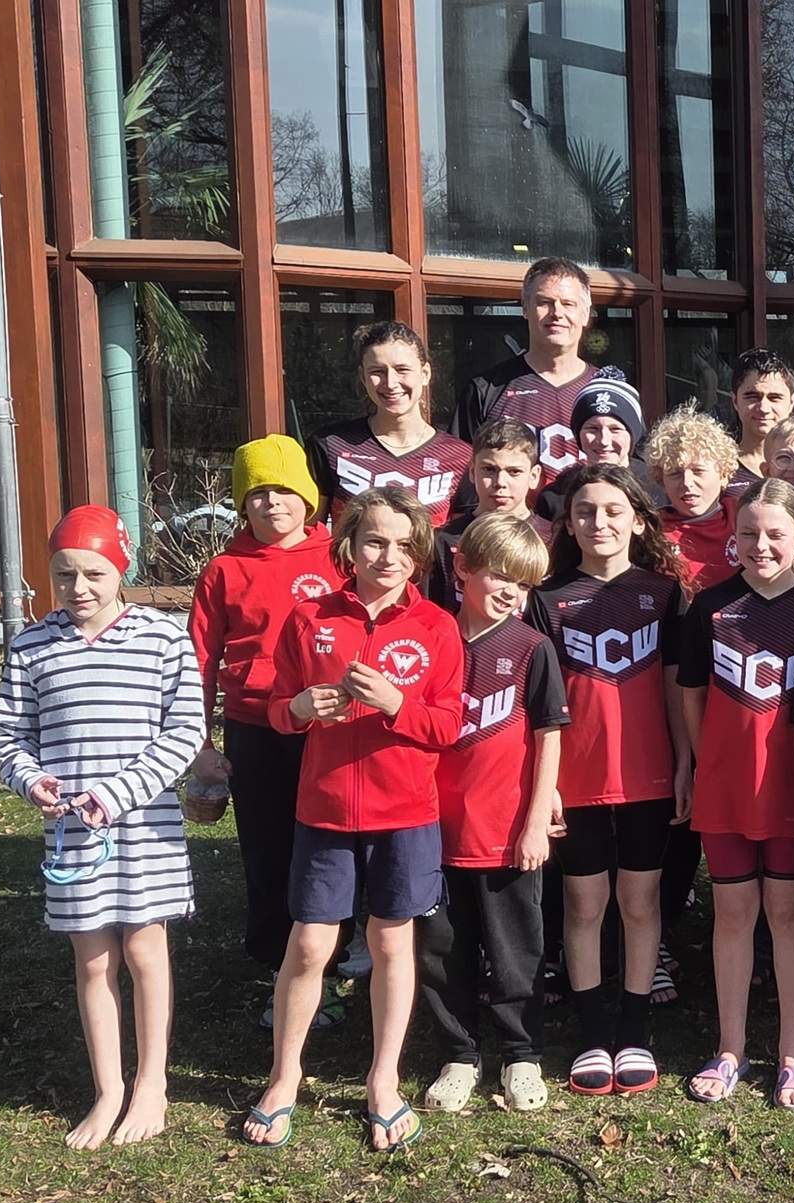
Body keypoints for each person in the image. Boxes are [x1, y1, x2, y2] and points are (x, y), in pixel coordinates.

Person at [247, 487, 463, 1151]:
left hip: (406, 813)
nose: (389, 556)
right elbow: (275, 706)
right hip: (327, 808)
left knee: (393, 941)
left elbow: (450, 726)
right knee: (311, 943)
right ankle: (284, 1077)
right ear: (349, 546)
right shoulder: (311, 618)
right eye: (375, 541)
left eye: (404, 545)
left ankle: (383, 1080)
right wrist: (301, 711)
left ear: (421, 554)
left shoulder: (436, 627)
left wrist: (398, 702)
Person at [0, 506, 205, 1149]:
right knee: (93, 959)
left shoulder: (163, 638)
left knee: (145, 951)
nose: (78, 588)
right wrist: (32, 781)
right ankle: (108, 1087)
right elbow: (8, 734)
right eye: (63, 575)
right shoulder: (31, 645)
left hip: (145, 826)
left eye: (93, 572)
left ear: (122, 568)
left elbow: (185, 730)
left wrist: (116, 795)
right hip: (72, 835)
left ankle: (152, 1084)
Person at [529, 465, 691, 1096]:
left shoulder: (664, 591)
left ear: (637, 519)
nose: (600, 523)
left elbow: (680, 690)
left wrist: (683, 760)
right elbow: (539, 704)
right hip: (578, 777)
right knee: (582, 903)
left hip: (649, 775)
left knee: (640, 902)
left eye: (613, 511)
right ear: (567, 523)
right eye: (586, 512)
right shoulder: (546, 597)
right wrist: (547, 785)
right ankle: (593, 1032)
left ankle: (635, 1028)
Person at [680, 479, 794, 1109]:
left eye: (775, 534)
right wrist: (706, 762)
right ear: (732, 537)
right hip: (727, 787)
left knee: (791, 916)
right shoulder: (708, 607)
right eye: (747, 533)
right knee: (734, 915)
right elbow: (692, 697)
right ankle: (732, 1046)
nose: (760, 545)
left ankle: (793, 1050)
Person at [418, 514, 566, 1116]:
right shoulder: (432, 639)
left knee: (516, 947)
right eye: (499, 575)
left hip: (506, 832)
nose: (509, 591)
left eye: (523, 584)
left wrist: (536, 820)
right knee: (442, 947)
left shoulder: (532, 647)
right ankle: (458, 1052)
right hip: (431, 829)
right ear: (461, 567)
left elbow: (551, 736)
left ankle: (519, 1052)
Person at [189, 437, 337, 1025]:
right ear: (241, 505)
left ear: (307, 497)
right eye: (257, 494)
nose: (272, 504)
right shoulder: (225, 571)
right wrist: (197, 743)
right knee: (270, 848)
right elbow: (199, 659)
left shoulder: (338, 558)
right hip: (254, 725)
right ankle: (281, 966)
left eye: (284, 490)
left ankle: (336, 951)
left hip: (328, 723)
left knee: (330, 844)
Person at [306, 321, 474, 528]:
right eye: (377, 372)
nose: (391, 383)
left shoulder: (461, 456)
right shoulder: (330, 446)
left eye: (402, 370)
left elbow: (463, 543)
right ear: (363, 377)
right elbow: (312, 538)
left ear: (425, 374)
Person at [451, 257, 605, 482]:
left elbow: (636, 470)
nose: (557, 313)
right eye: (545, 302)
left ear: (585, 313)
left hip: (590, 517)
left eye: (568, 304)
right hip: (512, 518)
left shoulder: (609, 390)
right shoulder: (487, 389)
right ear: (525, 308)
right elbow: (463, 476)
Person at [422, 419, 553, 611]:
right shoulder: (444, 540)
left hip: (530, 641)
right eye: (489, 470)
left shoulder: (555, 540)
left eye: (514, 472)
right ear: (473, 472)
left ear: (534, 476)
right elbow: (430, 611)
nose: (500, 482)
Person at [646, 406, 753, 594]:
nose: (687, 483)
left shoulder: (744, 518)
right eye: (675, 474)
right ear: (661, 480)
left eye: (698, 471)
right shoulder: (651, 531)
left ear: (724, 475)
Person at [533, 372, 650, 522]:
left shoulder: (662, 487)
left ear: (633, 434)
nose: (604, 441)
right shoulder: (556, 497)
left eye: (615, 429)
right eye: (592, 429)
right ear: (578, 434)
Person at [728, 348, 794, 477]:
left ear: (791, 402)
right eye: (752, 397)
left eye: (774, 398)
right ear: (735, 401)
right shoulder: (720, 469)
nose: (763, 408)